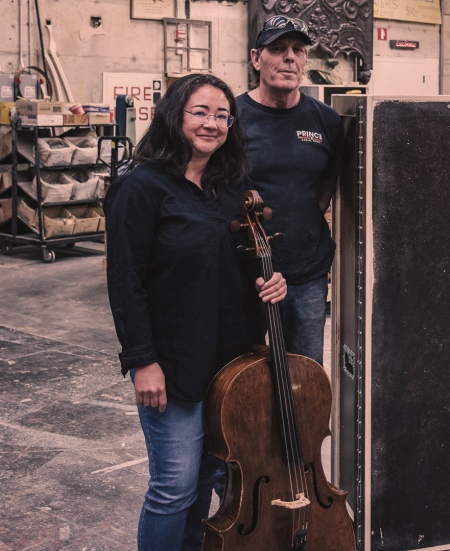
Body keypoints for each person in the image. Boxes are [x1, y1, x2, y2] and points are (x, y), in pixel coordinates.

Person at [105, 73, 287, 551]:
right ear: (174, 116)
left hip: (228, 364)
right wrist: (142, 361)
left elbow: (239, 262)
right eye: (200, 112)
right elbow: (125, 283)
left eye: (222, 115)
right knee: (174, 488)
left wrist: (272, 279)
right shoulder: (139, 187)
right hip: (172, 361)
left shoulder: (230, 188)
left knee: (206, 480)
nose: (213, 123)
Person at [237, 15, 347, 366]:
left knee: (305, 377)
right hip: (244, 272)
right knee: (238, 377)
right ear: (257, 58)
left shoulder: (326, 120)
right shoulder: (233, 117)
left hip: (305, 273)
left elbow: (327, 184)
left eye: (298, 50)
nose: (290, 58)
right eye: (278, 49)